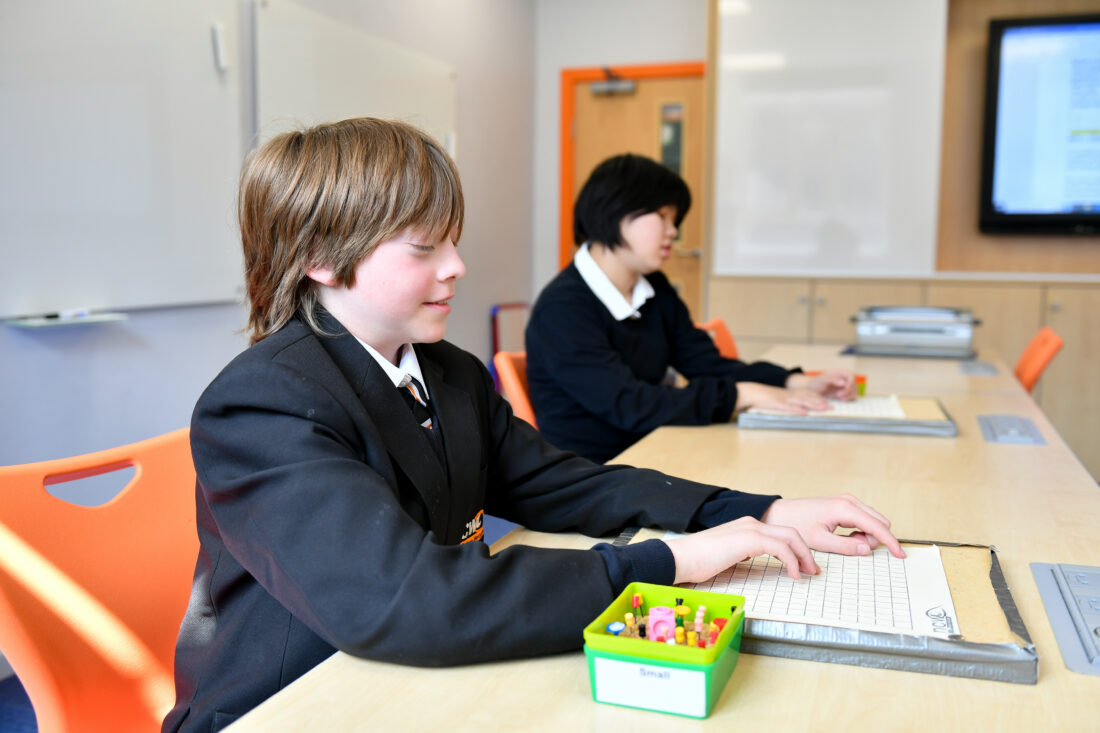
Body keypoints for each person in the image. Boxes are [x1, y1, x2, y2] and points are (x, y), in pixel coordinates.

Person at [163, 119, 903, 732]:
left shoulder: (446, 369)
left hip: (412, 681)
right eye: (425, 247)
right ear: (324, 257)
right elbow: (409, 599)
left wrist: (758, 511)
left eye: (452, 239)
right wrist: (668, 566)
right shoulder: (263, 402)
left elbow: (567, 484)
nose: (456, 265)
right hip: (291, 703)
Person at [525, 153, 858, 463]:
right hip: (595, 474)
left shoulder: (654, 289)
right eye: (663, 217)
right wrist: (740, 395)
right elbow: (631, 405)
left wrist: (793, 383)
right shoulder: (562, 309)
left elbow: (706, 363)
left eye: (675, 219)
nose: (674, 231)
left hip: (653, 453)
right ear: (615, 212)